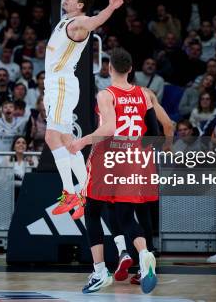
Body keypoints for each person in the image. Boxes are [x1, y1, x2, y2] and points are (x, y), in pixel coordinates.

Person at [68, 48, 159, 294]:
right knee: (125, 216)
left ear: (110, 69)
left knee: (92, 210)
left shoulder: (106, 94)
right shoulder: (144, 94)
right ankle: (144, 254)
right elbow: (154, 133)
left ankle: (99, 271)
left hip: (107, 157)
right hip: (132, 158)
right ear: (131, 69)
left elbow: (108, 127)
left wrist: (82, 141)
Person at [46, 0, 125, 217]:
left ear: (79, 4)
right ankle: (83, 192)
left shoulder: (79, 23)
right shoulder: (66, 18)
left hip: (61, 85)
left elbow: (94, 23)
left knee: (51, 137)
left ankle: (71, 192)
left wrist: (110, 8)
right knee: (67, 139)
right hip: (57, 86)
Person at [0, 101, 29, 165]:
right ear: (2, 110)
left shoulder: (22, 121)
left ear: (14, 110)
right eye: (5, 107)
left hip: (14, 158)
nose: (8, 109)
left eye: (11, 107)